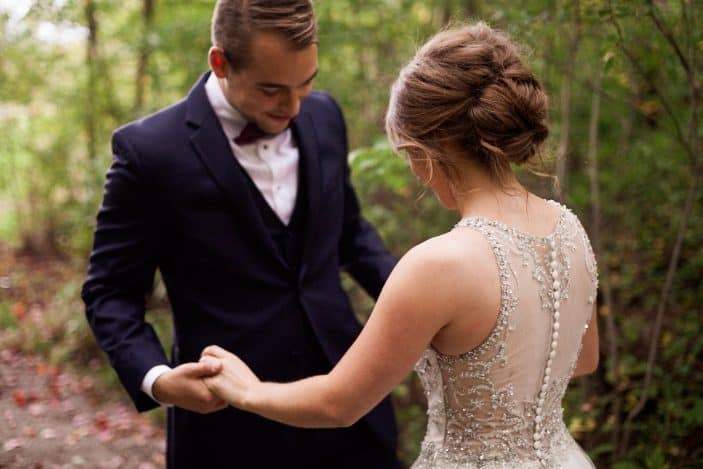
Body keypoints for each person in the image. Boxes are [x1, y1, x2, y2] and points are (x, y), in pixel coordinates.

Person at [199, 22, 600, 468]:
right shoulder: (569, 230)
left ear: (428, 149)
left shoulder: (439, 264)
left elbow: (339, 404)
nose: (414, 172)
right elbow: (582, 361)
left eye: (409, 156)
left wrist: (249, 390)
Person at [81, 1, 400, 467]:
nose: (294, 107)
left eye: (305, 83)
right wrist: (159, 378)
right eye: (272, 90)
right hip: (227, 429)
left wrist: (416, 303)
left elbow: (349, 234)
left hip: (349, 408)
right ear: (220, 62)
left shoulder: (325, 115)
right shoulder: (149, 153)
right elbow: (109, 291)